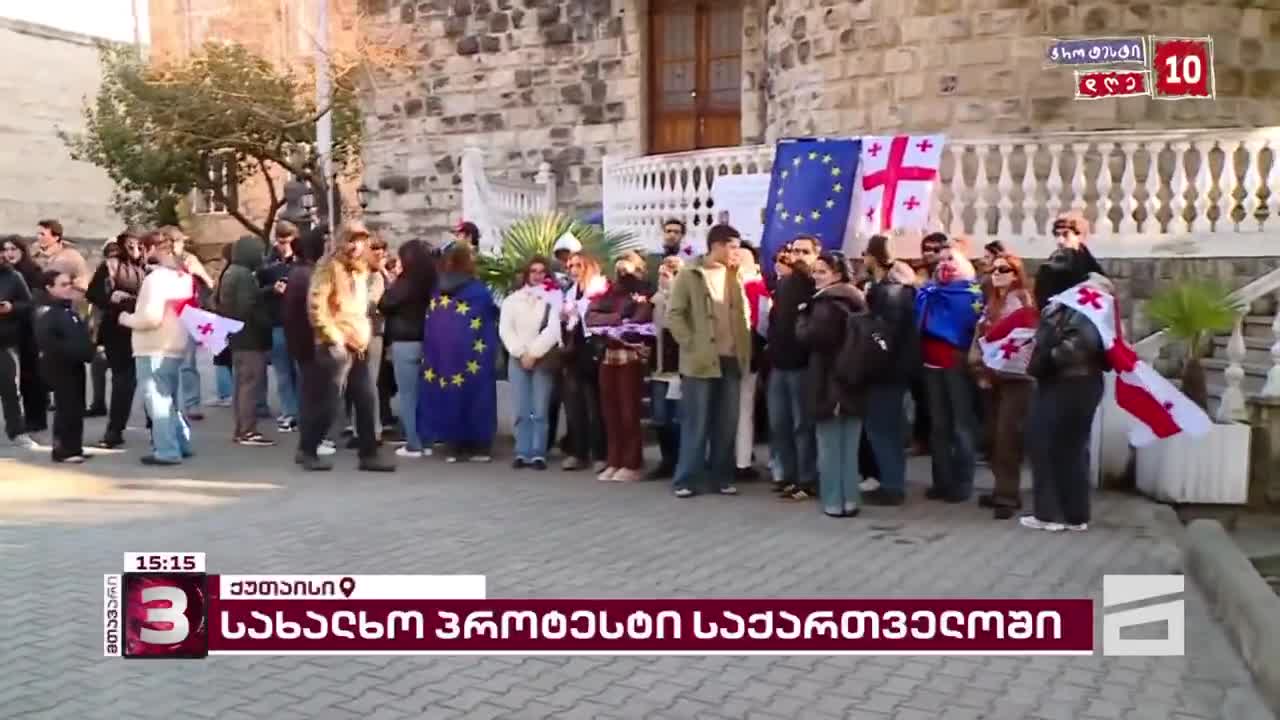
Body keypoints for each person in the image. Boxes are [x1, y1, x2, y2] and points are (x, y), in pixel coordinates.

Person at [1022, 215, 1108, 532]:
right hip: (1078, 381)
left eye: (1066, 233)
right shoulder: (1087, 294)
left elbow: (1079, 341)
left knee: (1048, 444)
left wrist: (1046, 360)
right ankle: (1074, 515)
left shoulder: (1084, 296)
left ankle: (1049, 514)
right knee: (1071, 448)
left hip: (1067, 380)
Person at [299, 221, 395, 472]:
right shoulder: (329, 267)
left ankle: (369, 454)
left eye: (361, 241)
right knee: (329, 401)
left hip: (358, 342)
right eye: (351, 240)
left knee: (366, 400)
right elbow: (316, 306)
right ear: (341, 241)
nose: (356, 246)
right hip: (336, 344)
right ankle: (307, 449)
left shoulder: (361, 270)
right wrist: (332, 337)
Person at [666, 224, 750, 498]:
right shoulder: (690, 274)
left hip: (731, 359)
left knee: (726, 423)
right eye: (734, 247)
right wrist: (690, 343)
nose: (737, 253)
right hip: (700, 361)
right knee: (696, 422)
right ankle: (687, 478)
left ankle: (721, 477)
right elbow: (675, 314)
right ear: (718, 246)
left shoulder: (735, 275)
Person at [796, 251, 867, 518]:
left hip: (828, 381)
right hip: (855, 382)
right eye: (815, 270)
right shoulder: (859, 301)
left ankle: (834, 501)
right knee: (849, 447)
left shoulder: (826, 304)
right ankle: (850, 499)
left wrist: (801, 317)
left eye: (822, 271)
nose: (815, 276)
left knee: (829, 446)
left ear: (837, 274)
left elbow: (812, 338)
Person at [119, 230, 197, 466]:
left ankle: (167, 450)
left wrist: (126, 318)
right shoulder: (184, 277)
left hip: (153, 345)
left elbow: (150, 318)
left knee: (158, 401)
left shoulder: (155, 279)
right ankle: (181, 442)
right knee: (170, 398)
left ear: (155, 249)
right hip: (176, 343)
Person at [418, 241, 499, 463]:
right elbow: (488, 317)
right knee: (476, 393)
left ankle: (453, 446)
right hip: (474, 356)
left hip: (443, 356)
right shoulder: (478, 291)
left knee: (449, 393)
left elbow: (435, 322)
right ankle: (479, 447)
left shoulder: (437, 290)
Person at [916, 240, 983, 503]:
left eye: (951, 259)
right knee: (939, 425)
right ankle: (941, 481)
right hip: (930, 364)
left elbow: (971, 326)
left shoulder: (972, 293)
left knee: (962, 425)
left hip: (957, 364)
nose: (945, 264)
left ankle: (962, 483)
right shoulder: (929, 291)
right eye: (941, 259)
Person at [971, 251, 1036, 519]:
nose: (997, 274)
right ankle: (1001, 489)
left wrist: (994, 365)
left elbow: (1021, 340)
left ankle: (1008, 495)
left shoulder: (1020, 302)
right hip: (993, 375)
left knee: (1008, 437)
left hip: (1015, 377)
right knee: (993, 437)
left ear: (1016, 274)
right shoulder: (992, 302)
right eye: (994, 270)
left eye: (1004, 270)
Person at [859, 235, 919, 506]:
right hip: (896, 368)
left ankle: (892, 486)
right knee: (889, 428)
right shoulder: (896, 285)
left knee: (881, 428)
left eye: (865, 254)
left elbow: (884, 335)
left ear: (874, 256)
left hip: (887, 371)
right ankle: (892, 481)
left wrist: (871, 360)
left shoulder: (890, 290)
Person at [586, 251, 653, 482]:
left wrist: (617, 318)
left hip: (631, 356)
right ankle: (614, 460)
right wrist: (615, 318)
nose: (622, 274)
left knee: (628, 411)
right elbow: (591, 317)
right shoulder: (608, 291)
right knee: (610, 411)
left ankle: (633, 462)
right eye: (619, 269)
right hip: (608, 354)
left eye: (627, 269)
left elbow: (637, 320)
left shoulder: (645, 292)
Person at [767, 235, 819, 501]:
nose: (798, 255)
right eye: (794, 250)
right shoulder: (784, 284)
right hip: (779, 365)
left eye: (804, 251)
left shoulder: (816, 286)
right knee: (780, 423)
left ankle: (806, 478)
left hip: (803, 366)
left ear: (815, 255)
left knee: (802, 425)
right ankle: (786, 476)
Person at [499, 256, 562, 470]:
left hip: (541, 359)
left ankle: (538, 452)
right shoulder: (512, 300)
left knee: (540, 409)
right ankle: (522, 450)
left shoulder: (553, 299)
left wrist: (534, 353)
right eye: (533, 271)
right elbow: (505, 329)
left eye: (541, 271)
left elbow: (553, 330)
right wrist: (519, 352)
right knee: (521, 409)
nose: (537, 275)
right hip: (518, 359)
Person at [86, 231, 146, 448]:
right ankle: (114, 430)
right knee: (124, 380)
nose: (136, 250)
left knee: (151, 377)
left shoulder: (151, 267)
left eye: (139, 245)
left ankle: (156, 425)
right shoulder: (111, 265)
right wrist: (110, 297)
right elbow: (93, 293)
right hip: (117, 329)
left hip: (146, 327)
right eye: (130, 246)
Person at [282, 226, 336, 458]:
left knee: (311, 392)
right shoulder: (308, 275)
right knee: (313, 395)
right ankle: (312, 440)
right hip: (309, 342)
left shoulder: (300, 272)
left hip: (301, 341)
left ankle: (312, 440)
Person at [218, 235, 275, 447]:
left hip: (237, 338)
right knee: (250, 385)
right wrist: (265, 318)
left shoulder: (231, 271)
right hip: (250, 337)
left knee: (242, 385)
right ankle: (248, 431)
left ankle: (241, 429)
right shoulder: (243, 275)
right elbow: (246, 307)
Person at [380, 239, 435, 458]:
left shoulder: (405, 283)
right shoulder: (431, 281)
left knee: (408, 395)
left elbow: (386, 303)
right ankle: (427, 439)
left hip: (405, 341)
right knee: (424, 394)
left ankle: (413, 443)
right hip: (428, 341)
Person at [34, 270, 95, 463]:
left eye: (69, 283)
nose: (69, 288)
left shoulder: (69, 309)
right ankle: (62, 450)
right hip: (59, 366)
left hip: (75, 365)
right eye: (63, 284)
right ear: (49, 288)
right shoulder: (46, 312)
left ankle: (74, 447)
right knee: (65, 408)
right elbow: (48, 341)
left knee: (76, 408)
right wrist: (75, 350)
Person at [559, 251, 610, 471]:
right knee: (574, 404)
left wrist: (578, 312)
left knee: (595, 406)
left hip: (594, 350)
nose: (573, 270)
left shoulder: (601, 288)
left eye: (578, 266)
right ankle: (578, 452)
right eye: (570, 266)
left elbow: (600, 317)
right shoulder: (570, 292)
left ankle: (600, 454)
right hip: (574, 350)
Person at [165, 226, 214, 421]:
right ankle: (169, 404)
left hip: (187, 315)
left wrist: (198, 274)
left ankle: (192, 404)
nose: (181, 245)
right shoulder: (159, 261)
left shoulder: (189, 259)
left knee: (187, 363)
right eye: (179, 242)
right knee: (166, 363)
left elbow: (209, 283)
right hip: (166, 316)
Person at [258, 221, 300, 432]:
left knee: (300, 372)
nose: (285, 246)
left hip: (299, 323)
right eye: (281, 242)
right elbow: (258, 291)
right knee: (283, 372)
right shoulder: (268, 264)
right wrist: (271, 290)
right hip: (277, 323)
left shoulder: (302, 263)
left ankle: (301, 412)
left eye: (288, 242)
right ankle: (289, 412)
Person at [733, 245, 770, 479]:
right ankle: (739, 458)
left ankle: (742, 459)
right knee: (738, 410)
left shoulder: (757, 288)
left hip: (747, 355)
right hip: (729, 356)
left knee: (743, 409)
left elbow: (762, 326)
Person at [5, 236, 48, 434]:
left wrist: (13, 307)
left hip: (31, 330)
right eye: (6, 249)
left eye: (13, 248)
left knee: (31, 377)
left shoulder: (32, 272)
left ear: (23, 250)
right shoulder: (5, 274)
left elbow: (34, 302)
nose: (9, 253)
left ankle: (36, 419)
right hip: (10, 332)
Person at [647, 255, 684, 479]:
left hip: (678, 367)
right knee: (660, 418)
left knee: (677, 418)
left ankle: (680, 460)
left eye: (667, 275)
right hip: (659, 367)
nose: (662, 279)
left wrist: (670, 298)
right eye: (660, 274)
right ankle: (666, 460)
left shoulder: (681, 300)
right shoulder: (654, 300)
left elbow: (675, 327)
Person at [0, 241, 34, 448]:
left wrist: (11, 307)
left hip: (5, 342)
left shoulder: (13, 277)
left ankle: (17, 432)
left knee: (10, 388)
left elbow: (29, 305)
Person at [32, 219, 89, 291]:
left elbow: (83, 282)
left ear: (56, 237)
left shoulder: (72, 257)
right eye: (38, 234)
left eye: (42, 234)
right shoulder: (34, 255)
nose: (38, 237)